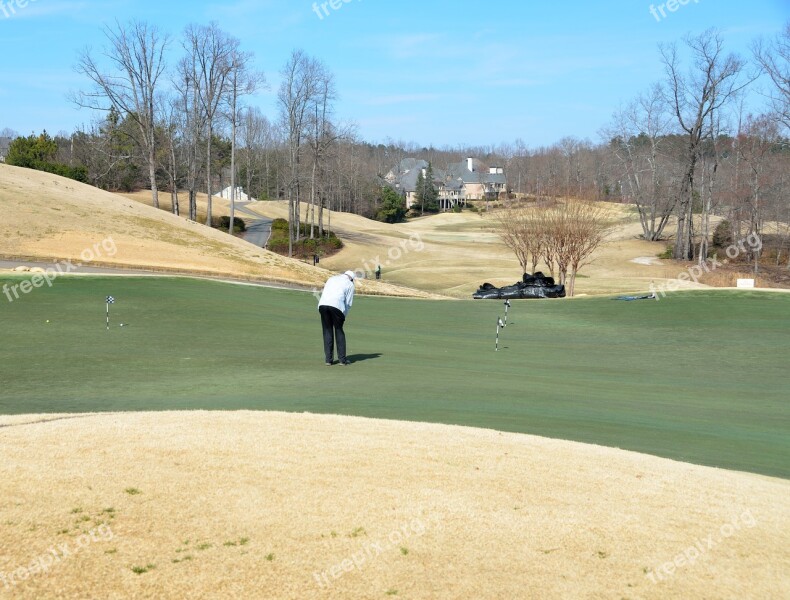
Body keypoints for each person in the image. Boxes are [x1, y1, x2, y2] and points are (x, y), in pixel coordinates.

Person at [318, 270, 356, 366]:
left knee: (327, 331)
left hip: (322, 305)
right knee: (339, 330)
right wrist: (344, 315)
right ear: (351, 279)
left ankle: (328, 360)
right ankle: (342, 360)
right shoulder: (350, 284)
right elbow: (348, 303)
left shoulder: (331, 278)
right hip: (337, 306)